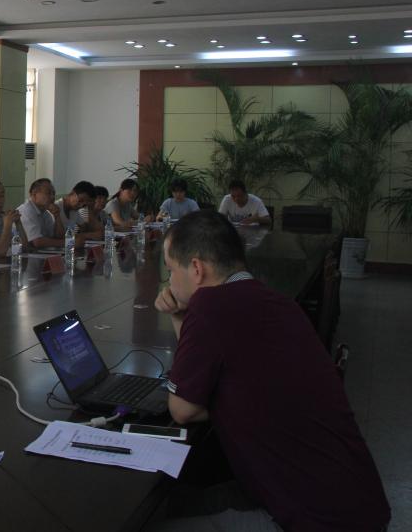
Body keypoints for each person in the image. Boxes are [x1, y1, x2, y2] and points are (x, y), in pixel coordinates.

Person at [151, 211, 389, 530]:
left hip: (313, 519)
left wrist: (188, 313)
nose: (169, 282)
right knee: (177, 503)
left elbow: (182, 409)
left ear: (196, 268)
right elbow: (203, 371)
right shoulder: (277, 303)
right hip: (349, 501)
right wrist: (179, 315)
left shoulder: (210, 306)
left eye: (170, 271)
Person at [16, 178, 67, 250]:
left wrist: (57, 216)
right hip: (20, 255)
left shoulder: (45, 213)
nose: (52, 197)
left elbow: (58, 237)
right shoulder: (26, 210)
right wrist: (67, 243)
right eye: (48, 193)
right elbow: (37, 242)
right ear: (34, 194)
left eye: (53, 193)